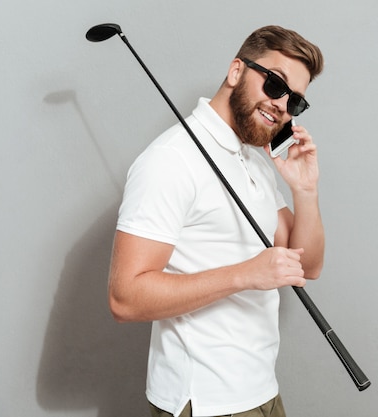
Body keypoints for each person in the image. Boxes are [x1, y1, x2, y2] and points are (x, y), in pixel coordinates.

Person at [107, 25, 325, 417]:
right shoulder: (170, 160)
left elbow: (307, 265)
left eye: (295, 101)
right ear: (237, 71)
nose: (281, 105)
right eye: (275, 85)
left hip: (260, 390)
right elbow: (124, 298)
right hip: (206, 402)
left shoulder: (253, 160)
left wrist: (304, 191)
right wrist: (244, 274)